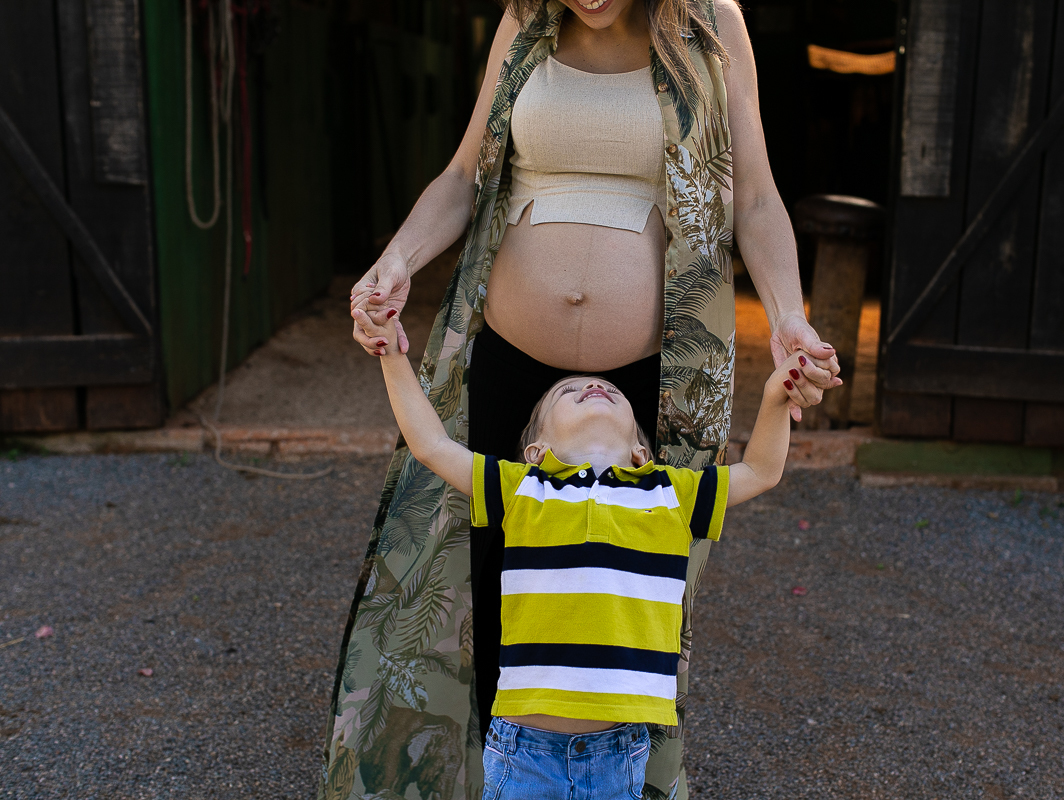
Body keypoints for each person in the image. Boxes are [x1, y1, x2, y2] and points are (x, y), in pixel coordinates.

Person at [319, 1, 840, 798]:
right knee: (494, 597)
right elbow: (464, 178)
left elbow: (758, 201)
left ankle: (620, 780)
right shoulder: (525, 20)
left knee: (625, 605)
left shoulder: (713, 26)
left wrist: (791, 320)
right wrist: (396, 262)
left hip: (649, 384)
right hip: (509, 367)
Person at [354, 301, 807, 800]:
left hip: (620, 753)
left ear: (641, 449)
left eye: (612, 391)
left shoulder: (669, 494)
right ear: (537, 451)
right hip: (524, 750)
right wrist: (391, 357)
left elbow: (762, 471)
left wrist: (775, 397)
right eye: (567, 392)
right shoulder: (523, 488)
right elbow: (432, 446)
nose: (593, 385)